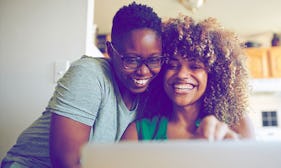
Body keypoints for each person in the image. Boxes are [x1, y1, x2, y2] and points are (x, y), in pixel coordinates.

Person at [1, 2, 164, 168]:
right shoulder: (89, 74)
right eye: (131, 59)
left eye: (153, 60)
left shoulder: (149, 93)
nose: (144, 71)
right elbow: (67, 164)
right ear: (110, 49)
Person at [121, 15, 255, 141]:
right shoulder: (138, 133)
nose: (181, 74)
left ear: (213, 75)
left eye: (195, 66)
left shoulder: (237, 125)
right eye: (172, 65)